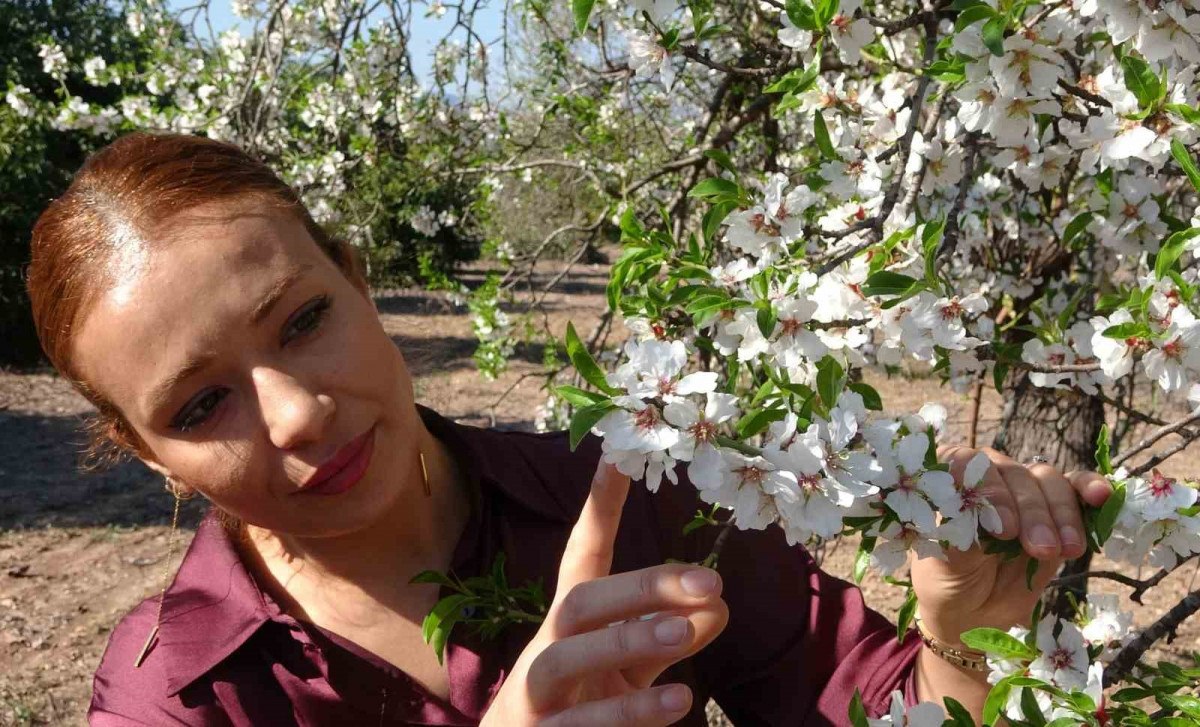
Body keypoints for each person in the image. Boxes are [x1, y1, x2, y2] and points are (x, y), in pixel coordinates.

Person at [26, 132, 1113, 726]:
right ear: (142, 450)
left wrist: (969, 635)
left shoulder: (634, 490)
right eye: (201, 404)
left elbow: (879, 708)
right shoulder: (176, 694)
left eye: (303, 320)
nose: (299, 410)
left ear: (358, 282)